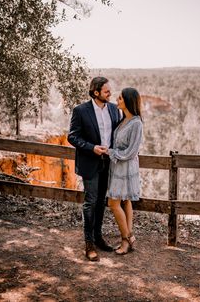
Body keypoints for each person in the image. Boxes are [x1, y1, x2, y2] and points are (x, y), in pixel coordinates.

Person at [68, 76, 120, 261]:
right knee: (90, 201)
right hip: (90, 162)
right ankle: (88, 243)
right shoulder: (81, 110)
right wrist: (92, 148)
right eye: (106, 91)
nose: (110, 94)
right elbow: (72, 137)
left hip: (108, 163)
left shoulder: (114, 109)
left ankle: (98, 237)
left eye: (109, 91)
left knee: (100, 201)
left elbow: (119, 133)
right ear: (96, 92)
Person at [106, 87, 143, 255]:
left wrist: (110, 152)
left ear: (128, 101)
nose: (117, 100)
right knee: (125, 201)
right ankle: (127, 240)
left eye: (120, 98)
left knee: (113, 203)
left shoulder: (136, 123)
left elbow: (131, 152)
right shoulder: (123, 120)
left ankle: (127, 238)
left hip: (126, 168)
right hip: (117, 167)